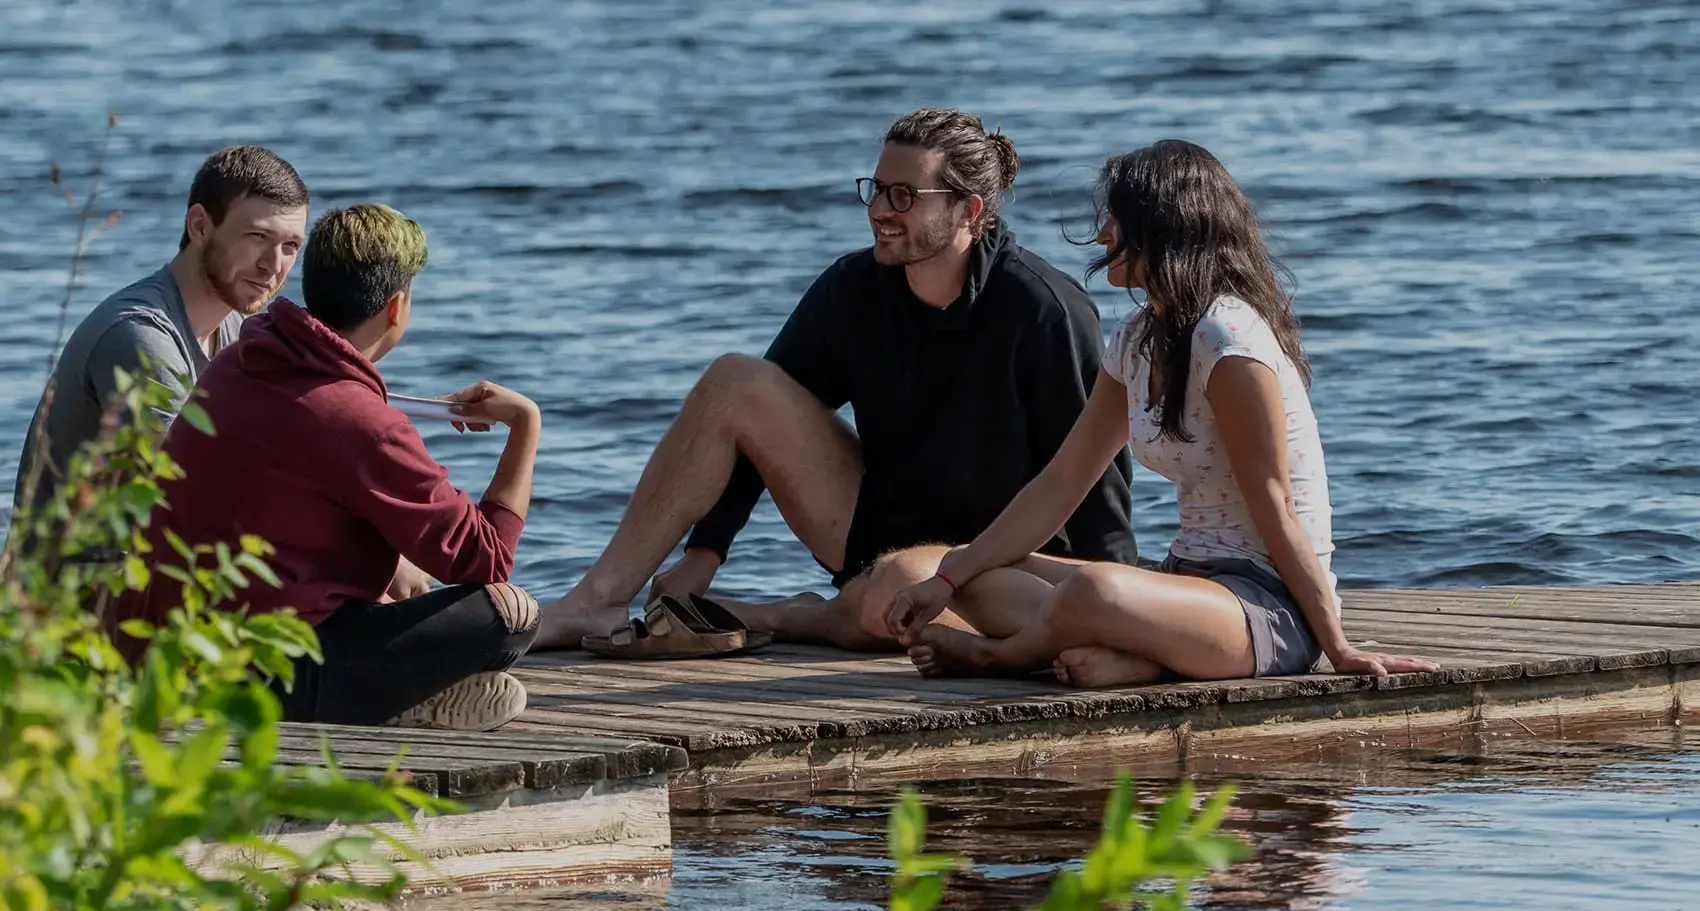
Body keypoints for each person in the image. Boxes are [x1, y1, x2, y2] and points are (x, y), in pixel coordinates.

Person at [536, 108, 1137, 653]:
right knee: (736, 382)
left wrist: (1114, 621)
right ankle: (596, 601)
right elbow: (750, 433)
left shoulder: (1044, 310)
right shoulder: (853, 289)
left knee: (903, 589)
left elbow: (1093, 482)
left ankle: (794, 616)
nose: (879, 211)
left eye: (903, 195)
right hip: (875, 524)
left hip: (999, 560)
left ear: (968, 211)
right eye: (875, 191)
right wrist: (704, 553)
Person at [883, 140, 1440, 686]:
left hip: (1269, 607)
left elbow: (1275, 504)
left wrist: (1337, 647)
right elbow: (1063, 480)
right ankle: (1130, 656)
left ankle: (1000, 657)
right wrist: (950, 577)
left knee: (1097, 591)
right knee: (973, 573)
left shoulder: (1228, 339)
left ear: (1163, 227)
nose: (1101, 236)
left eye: (1115, 220)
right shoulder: (1137, 339)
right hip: (1186, 585)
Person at [113, 204, 543, 730]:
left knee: (399, 590)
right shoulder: (365, 424)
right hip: (268, 680)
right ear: (396, 306)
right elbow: (486, 561)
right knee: (511, 612)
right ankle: (400, 702)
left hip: (169, 656)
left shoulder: (241, 361)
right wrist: (525, 426)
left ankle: (407, 693)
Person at [10, 145, 309, 526]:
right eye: (256, 236)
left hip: (169, 565)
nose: (274, 265)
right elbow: (200, 491)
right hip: (85, 580)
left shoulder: (235, 328)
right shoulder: (139, 335)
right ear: (200, 226)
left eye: (290, 246)